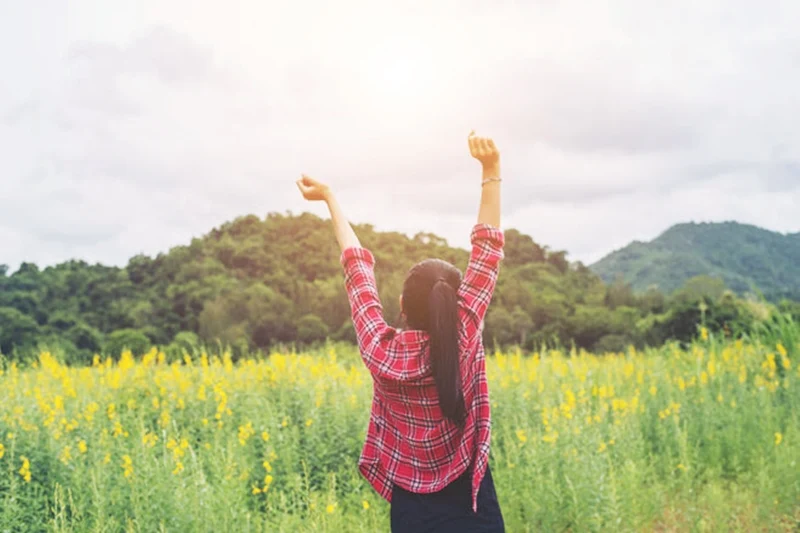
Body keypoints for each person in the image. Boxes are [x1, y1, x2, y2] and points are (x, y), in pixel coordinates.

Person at [296, 131, 505, 532]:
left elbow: (357, 270)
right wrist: (490, 169)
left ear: (403, 308)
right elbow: (487, 251)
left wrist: (330, 199)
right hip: (471, 501)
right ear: (454, 302)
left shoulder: (380, 349)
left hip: (412, 510)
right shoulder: (465, 331)